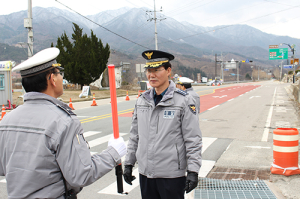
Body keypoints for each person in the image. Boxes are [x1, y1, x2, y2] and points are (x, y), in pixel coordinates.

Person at [0, 47, 126, 199]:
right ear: (52, 79)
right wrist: (113, 153)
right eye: (60, 73)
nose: (61, 78)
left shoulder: (7, 120)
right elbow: (81, 174)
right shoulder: (62, 121)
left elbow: (3, 168)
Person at [123, 50, 202, 199]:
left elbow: (193, 138)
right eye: (149, 71)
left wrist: (193, 171)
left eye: (157, 70)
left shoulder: (183, 101)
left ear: (168, 71)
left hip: (171, 176)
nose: (151, 75)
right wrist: (129, 164)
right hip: (146, 174)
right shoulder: (142, 101)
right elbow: (135, 136)